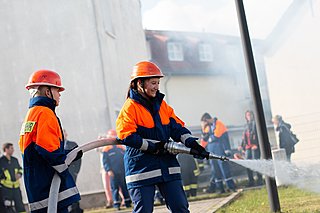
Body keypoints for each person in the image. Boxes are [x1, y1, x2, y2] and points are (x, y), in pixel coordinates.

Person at [116, 61, 207, 212]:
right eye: (153, 83)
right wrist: (153, 147)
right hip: (141, 168)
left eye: (158, 82)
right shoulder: (130, 108)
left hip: (167, 166)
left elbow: (176, 128)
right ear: (140, 83)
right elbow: (126, 135)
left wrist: (192, 144)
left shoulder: (162, 106)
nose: (157, 87)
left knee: (180, 208)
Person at [19, 70, 82, 213]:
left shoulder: (32, 114)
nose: (60, 94)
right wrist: (66, 169)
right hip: (48, 188)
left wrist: (69, 154)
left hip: (37, 187)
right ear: (48, 92)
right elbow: (48, 151)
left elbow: (38, 150)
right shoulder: (45, 113)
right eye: (57, 90)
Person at [201, 113, 236, 193]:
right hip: (211, 150)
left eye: (204, 122)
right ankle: (220, 188)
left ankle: (231, 187)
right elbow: (204, 140)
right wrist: (203, 129)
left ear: (207, 120)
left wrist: (209, 139)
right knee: (215, 169)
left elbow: (217, 135)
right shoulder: (207, 127)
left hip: (219, 149)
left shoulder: (219, 123)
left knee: (224, 168)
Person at [102, 129, 131, 210]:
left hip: (122, 171)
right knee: (115, 188)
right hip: (113, 172)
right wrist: (109, 170)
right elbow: (105, 162)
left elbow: (125, 159)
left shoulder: (121, 147)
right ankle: (116, 205)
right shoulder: (106, 149)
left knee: (124, 187)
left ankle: (127, 202)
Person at [240, 110, 263, 187]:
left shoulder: (256, 124)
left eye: (250, 115)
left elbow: (259, 135)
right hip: (248, 148)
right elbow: (244, 137)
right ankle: (251, 181)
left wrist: (257, 144)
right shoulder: (245, 126)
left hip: (254, 146)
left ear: (253, 116)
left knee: (256, 164)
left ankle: (260, 180)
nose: (249, 116)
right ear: (246, 117)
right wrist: (242, 146)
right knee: (248, 164)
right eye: (247, 115)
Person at [0, 143, 26, 213]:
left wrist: (19, 174)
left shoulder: (15, 160)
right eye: (11, 148)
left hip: (16, 188)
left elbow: (20, 168)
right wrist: (3, 177)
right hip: (6, 189)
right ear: (6, 149)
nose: (13, 150)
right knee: (7, 208)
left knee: (20, 206)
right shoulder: (1, 161)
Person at [63, 129, 83, 213]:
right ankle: (69, 209)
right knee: (64, 191)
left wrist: (76, 171)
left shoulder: (72, 144)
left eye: (63, 133)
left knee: (72, 190)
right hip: (62, 173)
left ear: (66, 134)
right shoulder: (56, 146)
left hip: (72, 172)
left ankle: (75, 208)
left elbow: (78, 159)